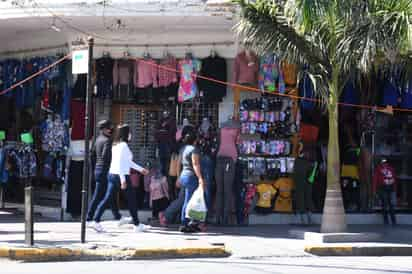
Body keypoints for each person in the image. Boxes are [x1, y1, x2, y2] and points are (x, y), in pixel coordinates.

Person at [91, 124, 150, 233]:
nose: (131, 135)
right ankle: (137, 224)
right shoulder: (123, 146)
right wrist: (123, 179)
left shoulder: (116, 145)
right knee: (131, 200)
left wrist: (140, 169)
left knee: (107, 198)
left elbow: (127, 162)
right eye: (129, 132)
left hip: (113, 175)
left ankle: (96, 220)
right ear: (126, 134)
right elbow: (121, 163)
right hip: (121, 175)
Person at [86, 120, 121, 224]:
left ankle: (118, 217)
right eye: (109, 128)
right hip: (105, 171)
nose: (110, 130)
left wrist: (94, 168)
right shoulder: (107, 141)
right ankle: (89, 218)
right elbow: (106, 156)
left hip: (98, 170)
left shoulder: (97, 140)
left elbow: (92, 156)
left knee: (112, 194)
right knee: (99, 196)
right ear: (104, 129)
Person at [177, 126, 206, 233]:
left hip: (184, 176)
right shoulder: (194, 149)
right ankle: (185, 223)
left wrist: (178, 177)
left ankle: (190, 222)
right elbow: (195, 164)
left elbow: (178, 163)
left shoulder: (183, 149)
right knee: (189, 200)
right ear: (195, 140)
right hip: (191, 177)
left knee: (187, 200)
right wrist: (200, 178)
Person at [373, 158, 397, 225]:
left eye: (385, 162)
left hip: (390, 188)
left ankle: (393, 221)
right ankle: (386, 221)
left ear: (387, 163)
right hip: (382, 188)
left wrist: (394, 190)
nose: (384, 164)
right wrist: (374, 190)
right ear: (381, 163)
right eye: (383, 162)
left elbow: (394, 179)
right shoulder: (378, 169)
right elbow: (375, 180)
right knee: (385, 205)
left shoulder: (391, 169)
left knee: (390, 205)